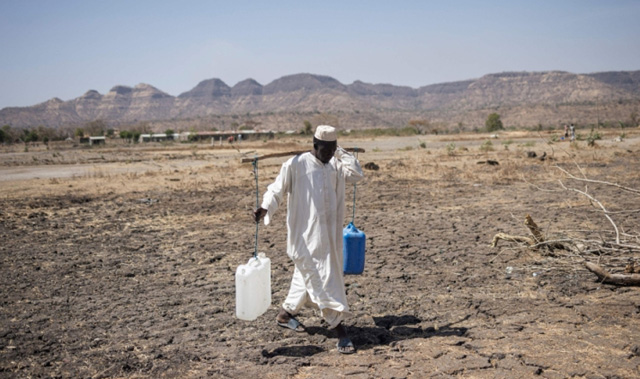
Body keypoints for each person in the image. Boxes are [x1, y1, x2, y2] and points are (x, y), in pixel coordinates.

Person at [253, 125, 364, 354]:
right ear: (315, 146)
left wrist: (340, 152)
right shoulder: (296, 165)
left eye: (333, 149)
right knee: (322, 283)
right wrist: (265, 208)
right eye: (327, 150)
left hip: (329, 238)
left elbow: (355, 175)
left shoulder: (335, 163)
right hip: (305, 239)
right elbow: (276, 189)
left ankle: (285, 315)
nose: (330, 154)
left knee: (306, 279)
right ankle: (340, 330)